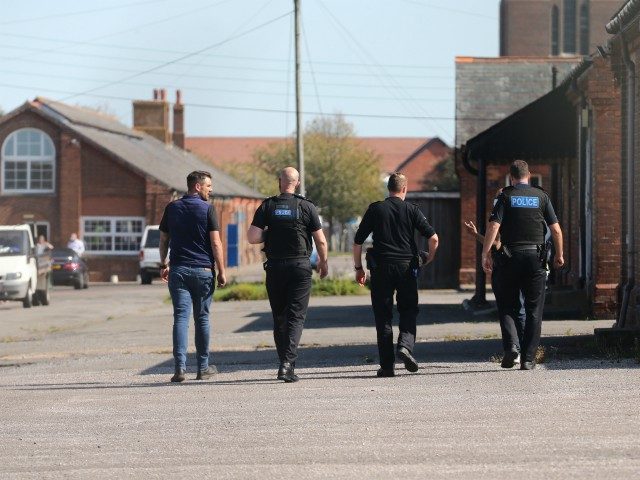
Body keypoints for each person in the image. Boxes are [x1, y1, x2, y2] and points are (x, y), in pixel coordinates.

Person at [353, 172, 439, 377]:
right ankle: (405, 346)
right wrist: (429, 258)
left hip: (381, 268)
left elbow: (357, 242)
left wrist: (358, 269)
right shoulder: (412, 210)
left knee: (383, 316)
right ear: (405, 189)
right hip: (406, 267)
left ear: (388, 189)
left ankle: (387, 366)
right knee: (408, 309)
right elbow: (433, 238)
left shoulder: (375, 209)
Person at [247, 167, 328, 383]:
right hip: (300, 267)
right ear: (297, 183)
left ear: (279, 182)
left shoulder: (268, 206)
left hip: (275, 268)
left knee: (279, 316)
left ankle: (283, 362)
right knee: (296, 316)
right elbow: (320, 240)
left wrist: (272, 232)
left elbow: (253, 237)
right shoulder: (306, 206)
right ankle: (287, 365)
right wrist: (323, 262)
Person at [482, 160, 564, 370]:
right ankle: (528, 359)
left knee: (507, 304)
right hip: (536, 259)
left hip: (509, 257)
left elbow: (494, 226)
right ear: (529, 175)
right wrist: (559, 255)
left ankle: (511, 347)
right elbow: (555, 230)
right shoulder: (541, 196)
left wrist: (486, 253)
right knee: (534, 308)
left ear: (511, 176)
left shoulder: (505, 196)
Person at [159, 170, 226, 383]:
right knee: (202, 318)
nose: (211, 190)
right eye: (208, 186)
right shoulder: (207, 209)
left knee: (180, 318)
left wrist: (164, 263)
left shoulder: (172, 208)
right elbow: (216, 243)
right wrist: (222, 271)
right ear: (197, 186)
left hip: (178, 270)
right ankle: (203, 368)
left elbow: (163, 240)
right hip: (203, 271)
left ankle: (180, 368)